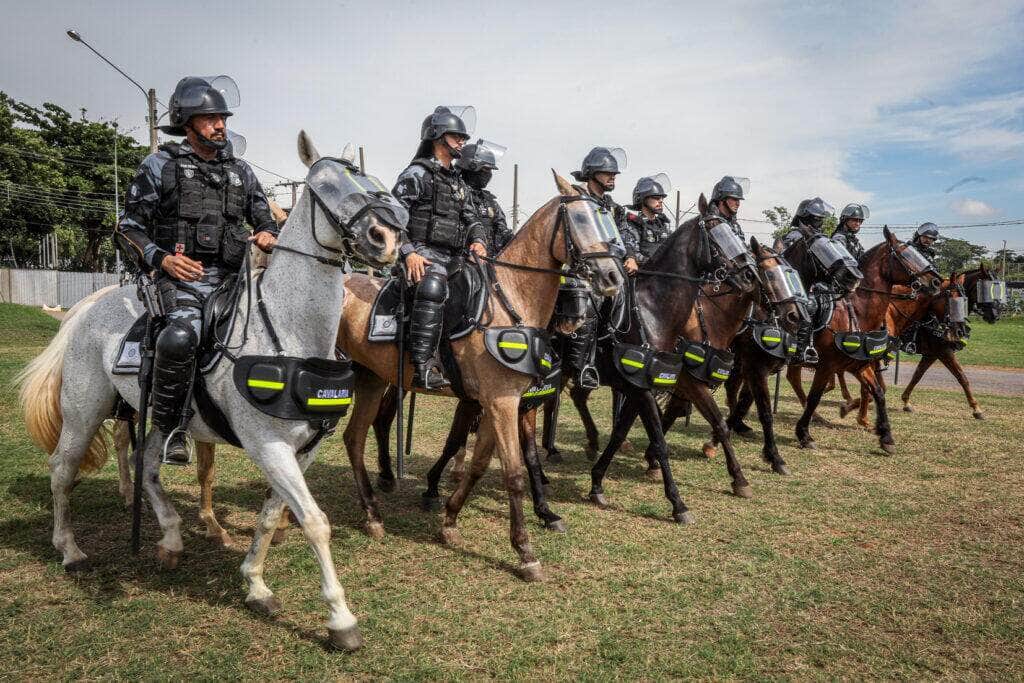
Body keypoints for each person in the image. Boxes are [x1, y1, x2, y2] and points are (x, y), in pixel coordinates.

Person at [116, 76, 278, 465]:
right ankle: (172, 427)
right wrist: (162, 259)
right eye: (210, 118)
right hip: (183, 280)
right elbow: (127, 227)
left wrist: (269, 234)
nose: (220, 124)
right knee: (180, 337)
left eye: (222, 117)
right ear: (187, 122)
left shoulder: (241, 171)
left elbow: (263, 218)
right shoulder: (160, 165)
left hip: (236, 280)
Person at [392, 106, 487, 389]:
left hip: (454, 257)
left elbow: (472, 218)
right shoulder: (416, 174)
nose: (462, 142)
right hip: (421, 253)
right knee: (433, 285)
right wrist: (409, 253)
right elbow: (393, 220)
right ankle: (424, 364)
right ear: (437, 137)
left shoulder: (458, 182)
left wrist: (479, 240)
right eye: (457, 136)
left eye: (462, 137)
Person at [571, 147, 632, 272]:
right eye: (608, 172)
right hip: (582, 269)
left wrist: (631, 257)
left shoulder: (615, 209)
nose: (613, 176)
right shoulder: (577, 203)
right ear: (592, 173)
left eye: (614, 173)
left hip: (610, 269)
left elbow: (625, 235)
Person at [457, 139, 513, 253]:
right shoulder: (455, 193)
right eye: (485, 169)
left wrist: (513, 239)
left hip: (487, 261)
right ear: (471, 167)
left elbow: (501, 229)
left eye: (490, 170)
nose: (488, 174)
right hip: (461, 258)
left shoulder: (489, 201)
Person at [624, 175, 672, 265]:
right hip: (644, 274)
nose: (661, 201)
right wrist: (658, 264)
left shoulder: (663, 226)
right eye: (656, 198)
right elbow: (633, 253)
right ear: (643, 199)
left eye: (662, 198)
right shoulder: (634, 224)